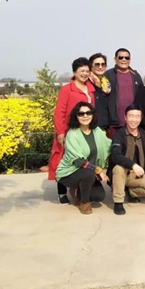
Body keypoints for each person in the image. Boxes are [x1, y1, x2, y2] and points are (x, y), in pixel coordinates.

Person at [48, 57, 96, 205]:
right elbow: (59, 112)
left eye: (87, 71)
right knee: (64, 160)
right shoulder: (67, 89)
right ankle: (62, 192)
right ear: (74, 72)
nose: (85, 74)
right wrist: (61, 132)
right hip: (68, 131)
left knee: (82, 158)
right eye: (82, 71)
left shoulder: (91, 89)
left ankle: (79, 188)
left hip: (85, 131)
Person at [55, 102, 111, 214]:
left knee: (99, 196)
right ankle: (85, 203)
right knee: (88, 173)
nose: (85, 116)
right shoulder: (72, 134)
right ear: (76, 116)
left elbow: (108, 145)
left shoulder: (97, 131)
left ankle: (76, 191)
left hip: (89, 172)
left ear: (92, 115)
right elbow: (78, 161)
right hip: (70, 172)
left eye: (88, 113)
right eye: (81, 114)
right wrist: (98, 170)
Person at [109, 104, 145, 215]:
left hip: (138, 174)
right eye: (131, 116)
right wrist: (133, 165)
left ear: (141, 118)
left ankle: (130, 192)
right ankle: (118, 202)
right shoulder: (119, 135)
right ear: (125, 117)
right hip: (121, 173)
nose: (134, 120)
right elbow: (115, 155)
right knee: (118, 168)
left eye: (137, 116)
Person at [104, 48, 144, 138]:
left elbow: (141, 98)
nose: (124, 60)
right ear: (115, 59)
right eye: (121, 57)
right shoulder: (108, 75)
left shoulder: (135, 75)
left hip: (133, 122)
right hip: (115, 124)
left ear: (130, 60)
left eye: (127, 58)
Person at [88, 53, 111, 129]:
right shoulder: (86, 83)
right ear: (91, 66)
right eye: (97, 64)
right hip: (91, 127)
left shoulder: (106, 84)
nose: (100, 67)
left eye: (103, 64)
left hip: (106, 126)